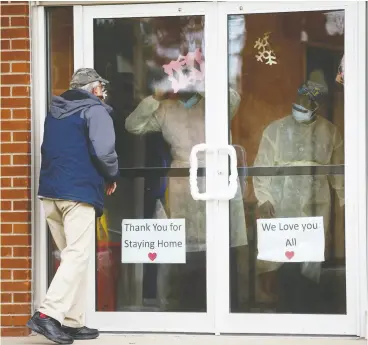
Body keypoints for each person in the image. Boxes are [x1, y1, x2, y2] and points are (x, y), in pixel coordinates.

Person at [26, 68, 119, 344]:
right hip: (78, 194)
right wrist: (111, 175)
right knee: (77, 257)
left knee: (73, 258)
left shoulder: (54, 112)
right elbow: (104, 150)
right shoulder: (96, 110)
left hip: (51, 194)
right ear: (93, 89)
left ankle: (72, 321)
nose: (103, 93)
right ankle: (47, 315)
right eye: (101, 88)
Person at [253, 81, 344, 313]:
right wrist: (264, 198)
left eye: (310, 101)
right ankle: (287, 310)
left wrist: (345, 201)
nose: (304, 104)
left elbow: (338, 172)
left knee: (312, 259)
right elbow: (262, 166)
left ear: (318, 104)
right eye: (301, 99)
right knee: (286, 258)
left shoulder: (330, 131)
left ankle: (309, 311)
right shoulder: (276, 129)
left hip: (317, 202)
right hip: (283, 202)